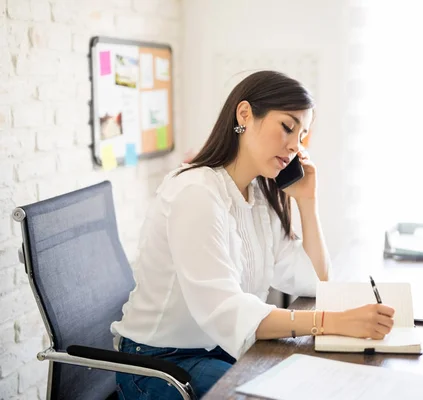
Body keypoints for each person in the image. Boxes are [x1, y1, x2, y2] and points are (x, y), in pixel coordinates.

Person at [111, 70, 395, 399]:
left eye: (302, 135)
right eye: (287, 127)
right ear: (244, 115)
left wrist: (307, 202)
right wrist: (333, 322)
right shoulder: (195, 193)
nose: (294, 145)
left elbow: (316, 281)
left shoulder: (258, 194)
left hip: (220, 349)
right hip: (160, 364)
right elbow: (226, 311)